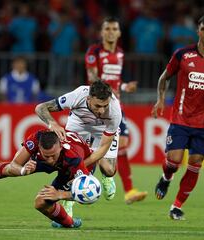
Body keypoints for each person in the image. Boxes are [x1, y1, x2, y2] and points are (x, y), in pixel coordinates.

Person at [151, 13, 204, 220]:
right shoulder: (182, 55)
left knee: (196, 163)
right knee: (174, 161)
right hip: (180, 118)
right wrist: (160, 99)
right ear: (198, 31)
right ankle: (166, 177)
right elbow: (164, 77)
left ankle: (176, 206)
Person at [0, 130, 94, 228]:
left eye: (53, 155)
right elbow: (15, 165)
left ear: (60, 147)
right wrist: (23, 170)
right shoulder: (37, 139)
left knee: (40, 203)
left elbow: (90, 193)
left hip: (69, 169)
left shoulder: (74, 158)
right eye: (45, 155)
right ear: (40, 148)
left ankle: (69, 223)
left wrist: (61, 195)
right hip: (53, 161)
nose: (49, 160)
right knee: (10, 170)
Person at [85, 17, 147, 204]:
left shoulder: (120, 53)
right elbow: (92, 76)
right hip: (100, 106)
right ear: (102, 32)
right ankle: (94, 181)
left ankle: (128, 190)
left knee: (124, 143)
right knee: (95, 145)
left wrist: (126, 86)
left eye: (114, 28)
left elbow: (116, 81)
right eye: (107, 28)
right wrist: (104, 91)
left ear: (119, 32)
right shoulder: (94, 51)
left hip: (117, 105)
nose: (111, 32)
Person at [35, 80, 122, 215]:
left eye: (105, 106)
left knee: (109, 170)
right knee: (70, 160)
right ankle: (68, 202)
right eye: (98, 105)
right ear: (88, 98)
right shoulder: (77, 95)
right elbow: (40, 108)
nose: (102, 110)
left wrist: (80, 164)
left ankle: (107, 177)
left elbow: (103, 147)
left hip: (102, 128)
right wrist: (53, 124)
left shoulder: (115, 112)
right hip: (79, 123)